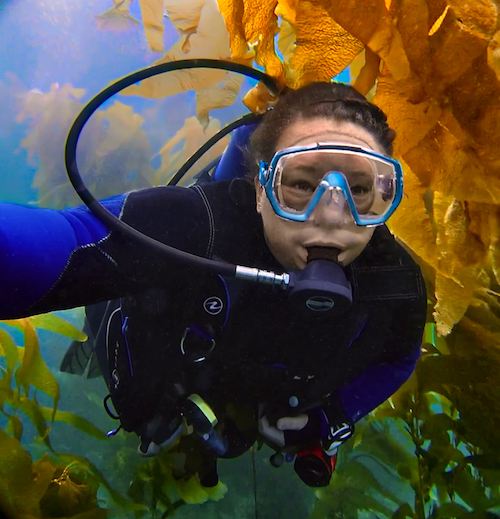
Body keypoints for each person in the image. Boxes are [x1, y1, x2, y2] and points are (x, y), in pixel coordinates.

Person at [0, 81, 427, 488]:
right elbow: (61, 243)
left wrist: (330, 417)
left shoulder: (394, 282)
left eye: (360, 189)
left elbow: (397, 360)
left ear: (386, 198)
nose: (333, 216)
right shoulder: (195, 226)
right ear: (261, 189)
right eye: (300, 184)